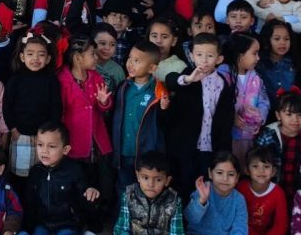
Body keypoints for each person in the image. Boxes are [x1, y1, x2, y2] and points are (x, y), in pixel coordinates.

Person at [162, 34, 233, 200]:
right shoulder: (187, 76)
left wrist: (224, 151)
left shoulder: (223, 83)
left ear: (219, 58)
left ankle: (201, 223)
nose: (204, 60)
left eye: (210, 56)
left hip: (210, 147)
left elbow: (226, 120)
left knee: (205, 189)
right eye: (199, 55)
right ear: (192, 56)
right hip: (186, 146)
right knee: (183, 186)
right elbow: (170, 79)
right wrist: (189, 79)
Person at [58, 36, 113, 218]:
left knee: (99, 180)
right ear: (77, 58)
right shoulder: (62, 80)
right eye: (92, 54)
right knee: (78, 182)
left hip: (96, 142)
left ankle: (97, 216)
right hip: (74, 141)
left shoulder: (96, 77)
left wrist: (104, 102)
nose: (96, 58)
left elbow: (105, 104)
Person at [3, 32, 63, 186]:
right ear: (22, 57)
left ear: (48, 59)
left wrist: (50, 133)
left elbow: (56, 107)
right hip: (20, 135)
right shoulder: (15, 80)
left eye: (41, 55)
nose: (35, 59)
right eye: (30, 54)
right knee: (19, 176)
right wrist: (13, 129)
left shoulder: (51, 81)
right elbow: (7, 106)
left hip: (43, 139)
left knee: (41, 175)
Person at [26, 123, 100, 235]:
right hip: (43, 225)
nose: (44, 150)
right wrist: (27, 228)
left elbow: (84, 202)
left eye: (52, 146)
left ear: (65, 150)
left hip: (68, 225)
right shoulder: (35, 171)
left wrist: (91, 195)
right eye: (40, 145)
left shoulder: (74, 170)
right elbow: (30, 203)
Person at [111, 41, 169, 194]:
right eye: (130, 58)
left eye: (137, 60)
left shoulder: (158, 91)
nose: (130, 63)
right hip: (123, 151)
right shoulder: (123, 87)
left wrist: (164, 109)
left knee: (145, 192)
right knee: (123, 190)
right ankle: (124, 217)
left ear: (152, 68)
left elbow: (164, 124)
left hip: (146, 154)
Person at [253, 90, 301, 203]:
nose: (295, 119)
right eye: (289, 114)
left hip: (298, 194)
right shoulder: (268, 135)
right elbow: (256, 162)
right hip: (270, 191)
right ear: (278, 115)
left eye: (300, 115)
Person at [110, 152, 182, 235]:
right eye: (145, 178)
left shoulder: (174, 200)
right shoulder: (129, 195)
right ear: (138, 176)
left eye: (158, 180)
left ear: (167, 181)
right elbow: (120, 229)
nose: (151, 184)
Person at [222, 35, 269, 165]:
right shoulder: (222, 75)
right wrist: (231, 116)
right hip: (226, 136)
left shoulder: (255, 78)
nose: (258, 58)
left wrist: (259, 116)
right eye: (254, 53)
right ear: (240, 54)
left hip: (250, 137)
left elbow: (264, 101)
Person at [184, 152, 248, 235]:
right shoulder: (203, 189)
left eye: (231, 174)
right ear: (210, 173)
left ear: (237, 177)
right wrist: (202, 200)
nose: (225, 178)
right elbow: (190, 218)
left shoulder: (239, 199)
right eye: (219, 173)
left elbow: (240, 230)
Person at [236, 146, 288, 235]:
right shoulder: (240, 189)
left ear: (273, 171)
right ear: (247, 170)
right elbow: (236, 220)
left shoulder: (278, 193)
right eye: (255, 166)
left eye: (266, 166)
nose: (261, 171)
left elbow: (281, 225)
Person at [256, 21, 301, 103]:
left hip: (289, 113)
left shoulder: (294, 62)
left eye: (286, 39)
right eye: (277, 39)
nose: (282, 43)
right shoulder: (258, 63)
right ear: (267, 40)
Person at [148, 17, 187, 83]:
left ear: (174, 41)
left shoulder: (179, 66)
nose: (158, 41)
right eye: (154, 36)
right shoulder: (140, 60)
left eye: (164, 37)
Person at [92, 25, 126, 92]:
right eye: (103, 43)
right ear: (92, 43)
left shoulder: (118, 70)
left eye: (112, 44)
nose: (107, 48)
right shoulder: (86, 65)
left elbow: (121, 95)